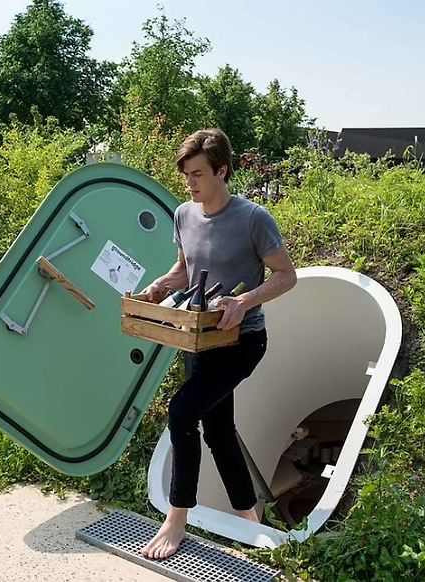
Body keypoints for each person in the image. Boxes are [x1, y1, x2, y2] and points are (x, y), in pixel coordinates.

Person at [134, 128, 297, 560]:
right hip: (198, 338)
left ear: (223, 171)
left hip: (243, 340)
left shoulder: (253, 219)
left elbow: (286, 275)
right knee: (219, 430)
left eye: (199, 174)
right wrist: (159, 286)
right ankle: (251, 523)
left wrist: (245, 300)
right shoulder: (183, 214)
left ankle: (176, 518)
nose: (190, 182)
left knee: (182, 413)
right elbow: (186, 270)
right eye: (186, 174)